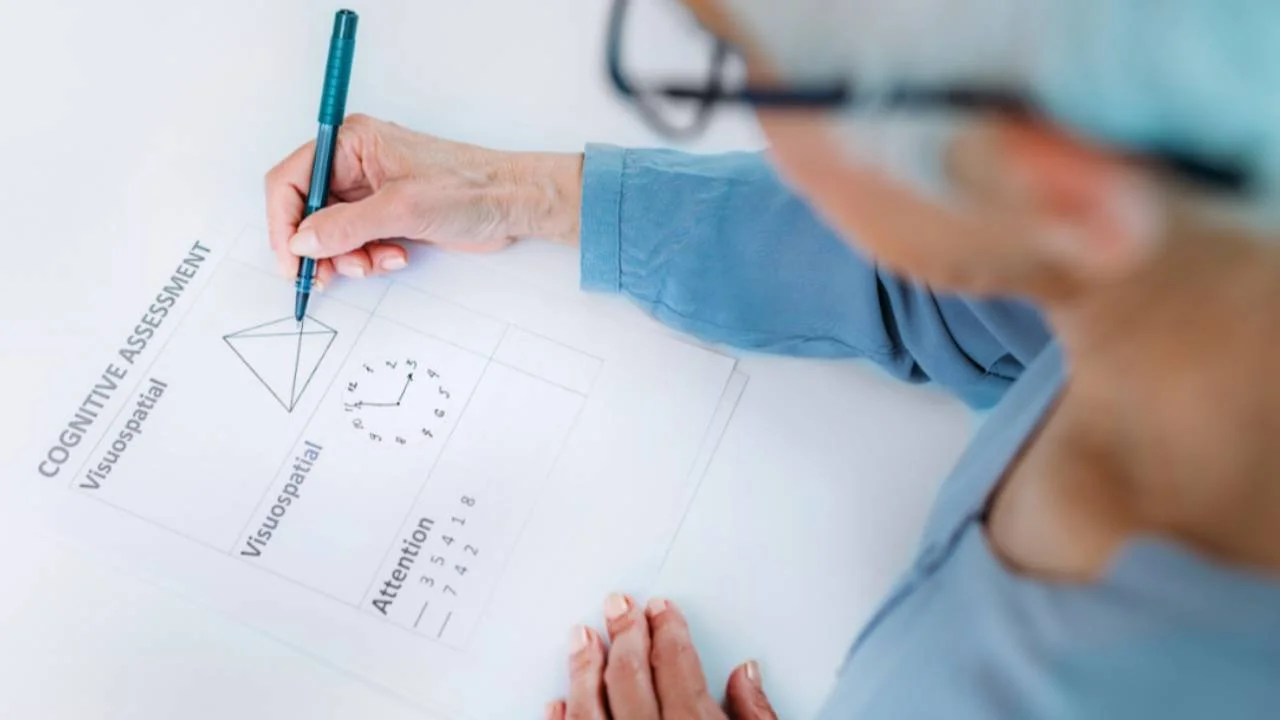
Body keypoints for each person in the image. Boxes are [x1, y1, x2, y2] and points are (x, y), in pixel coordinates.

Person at [265, 1, 1280, 717]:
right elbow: (970, 277)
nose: (754, 109)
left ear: (1056, 181)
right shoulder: (1191, 258)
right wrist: (522, 194)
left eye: (748, 67)